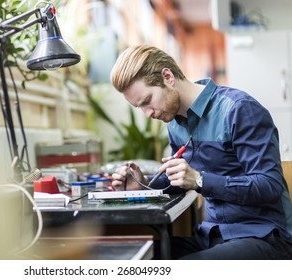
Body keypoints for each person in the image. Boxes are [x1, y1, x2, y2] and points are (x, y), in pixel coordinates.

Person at [110, 45, 292, 259]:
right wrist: (143, 185)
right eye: (139, 107)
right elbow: (180, 180)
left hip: (264, 236)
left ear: (167, 76)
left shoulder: (239, 110)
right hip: (212, 235)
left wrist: (200, 180)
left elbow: (269, 185)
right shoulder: (175, 125)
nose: (147, 113)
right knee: (134, 259)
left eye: (147, 101)